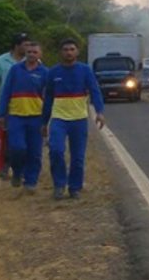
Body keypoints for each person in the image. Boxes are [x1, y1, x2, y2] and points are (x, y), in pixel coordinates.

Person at [42, 38, 105, 200]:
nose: (69, 52)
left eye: (71, 49)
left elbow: (95, 91)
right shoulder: (53, 72)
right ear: (60, 52)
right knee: (56, 151)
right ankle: (59, 185)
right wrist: (44, 121)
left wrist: (99, 112)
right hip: (59, 119)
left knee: (78, 157)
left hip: (79, 119)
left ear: (77, 52)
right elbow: (48, 97)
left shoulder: (85, 70)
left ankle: (75, 187)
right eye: (65, 49)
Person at [0, 42, 47, 194]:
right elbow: (6, 92)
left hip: (36, 117)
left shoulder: (45, 72)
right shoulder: (15, 69)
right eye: (29, 51)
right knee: (17, 148)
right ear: (25, 53)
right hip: (16, 116)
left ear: (40, 55)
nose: (31, 54)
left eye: (35, 52)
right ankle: (17, 172)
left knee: (35, 152)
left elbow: (49, 96)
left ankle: (31, 181)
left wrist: (48, 118)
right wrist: (1, 113)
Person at [0, 33, 31, 179]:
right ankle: (5, 164)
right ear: (16, 45)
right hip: (7, 106)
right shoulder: (1, 61)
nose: (28, 48)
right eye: (25, 45)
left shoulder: (32, 59)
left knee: (25, 139)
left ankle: (22, 167)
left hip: (28, 106)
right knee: (6, 137)